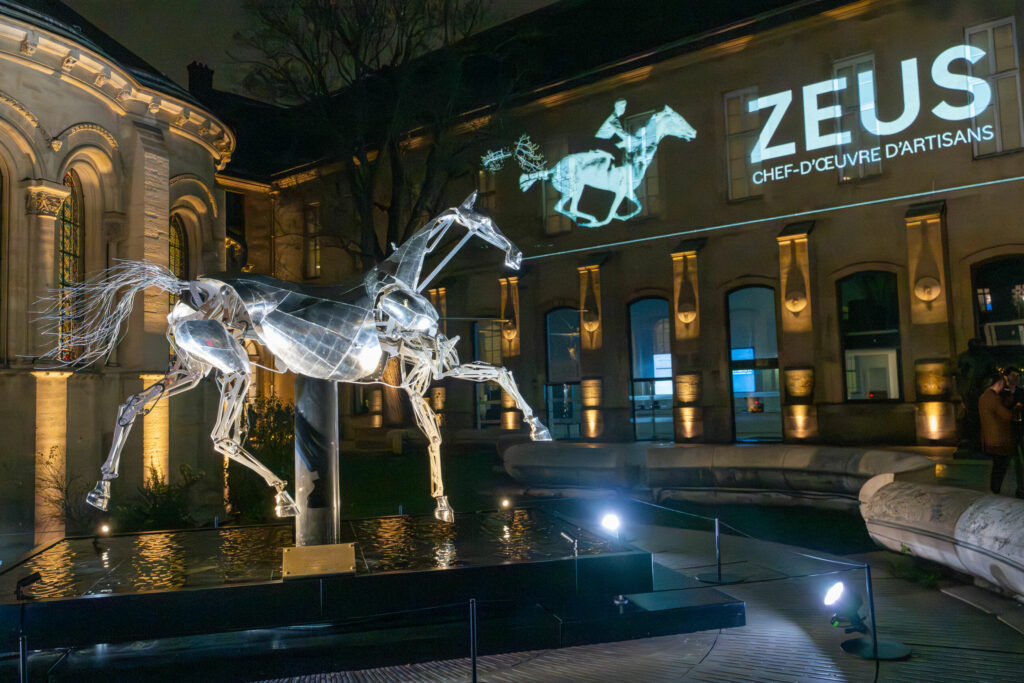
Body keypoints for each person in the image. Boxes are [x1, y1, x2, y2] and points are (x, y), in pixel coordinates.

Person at [979, 369, 1017, 494]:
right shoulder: (993, 398)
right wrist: (1016, 409)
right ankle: (995, 491)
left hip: (990, 437)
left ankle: (994, 490)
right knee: (1000, 467)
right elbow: (1006, 415)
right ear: (999, 382)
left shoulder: (985, 396)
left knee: (997, 467)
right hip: (998, 439)